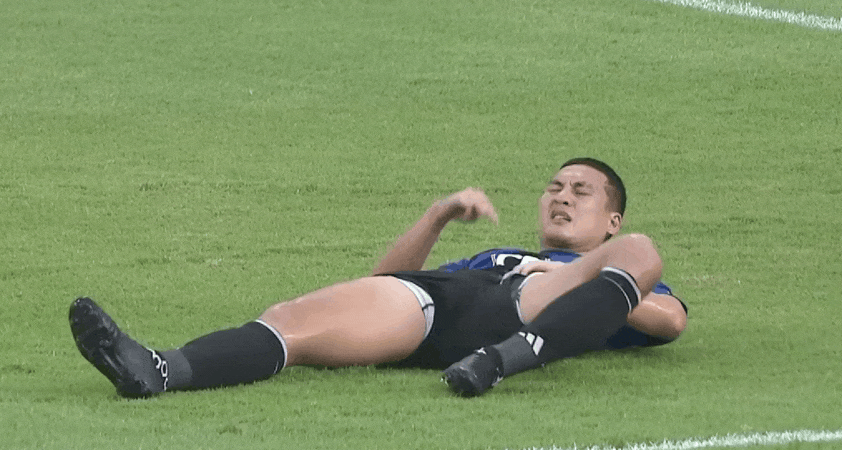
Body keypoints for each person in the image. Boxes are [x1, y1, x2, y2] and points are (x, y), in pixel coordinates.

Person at [69, 158, 687, 398]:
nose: (561, 196)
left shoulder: (603, 265)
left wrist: (571, 278)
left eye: (581, 190)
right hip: (443, 304)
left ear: (610, 218)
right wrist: (437, 215)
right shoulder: (497, 254)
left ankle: (500, 362)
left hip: (531, 313)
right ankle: (161, 369)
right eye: (554, 186)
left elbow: (670, 320)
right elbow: (385, 284)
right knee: (294, 319)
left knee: (640, 251)